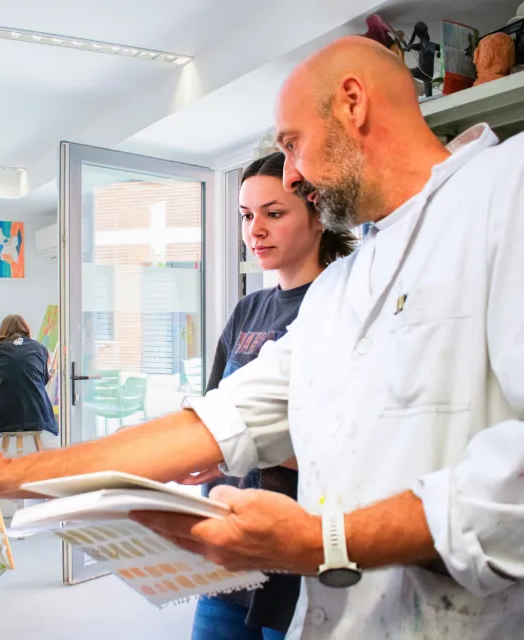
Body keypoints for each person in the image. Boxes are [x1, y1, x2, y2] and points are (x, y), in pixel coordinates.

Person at [0, 36, 524, 639]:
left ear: (352, 104)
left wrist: (324, 541)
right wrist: (5, 475)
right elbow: (217, 420)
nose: (293, 174)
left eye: (293, 145)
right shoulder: (340, 290)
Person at [189, 151, 352, 640]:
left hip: (298, 562)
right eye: (246, 215)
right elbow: (214, 416)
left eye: (273, 213)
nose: (254, 230)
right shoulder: (249, 309)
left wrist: (248, 443)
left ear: (318, 214)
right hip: (228, 554)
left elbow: (349, 448)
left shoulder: (344, 305)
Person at [0, 314, 57, 436]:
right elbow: (43, 381)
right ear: (26, 328)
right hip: (39, 417)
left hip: (5, 418)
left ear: (3, 330)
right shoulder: (40, 348)